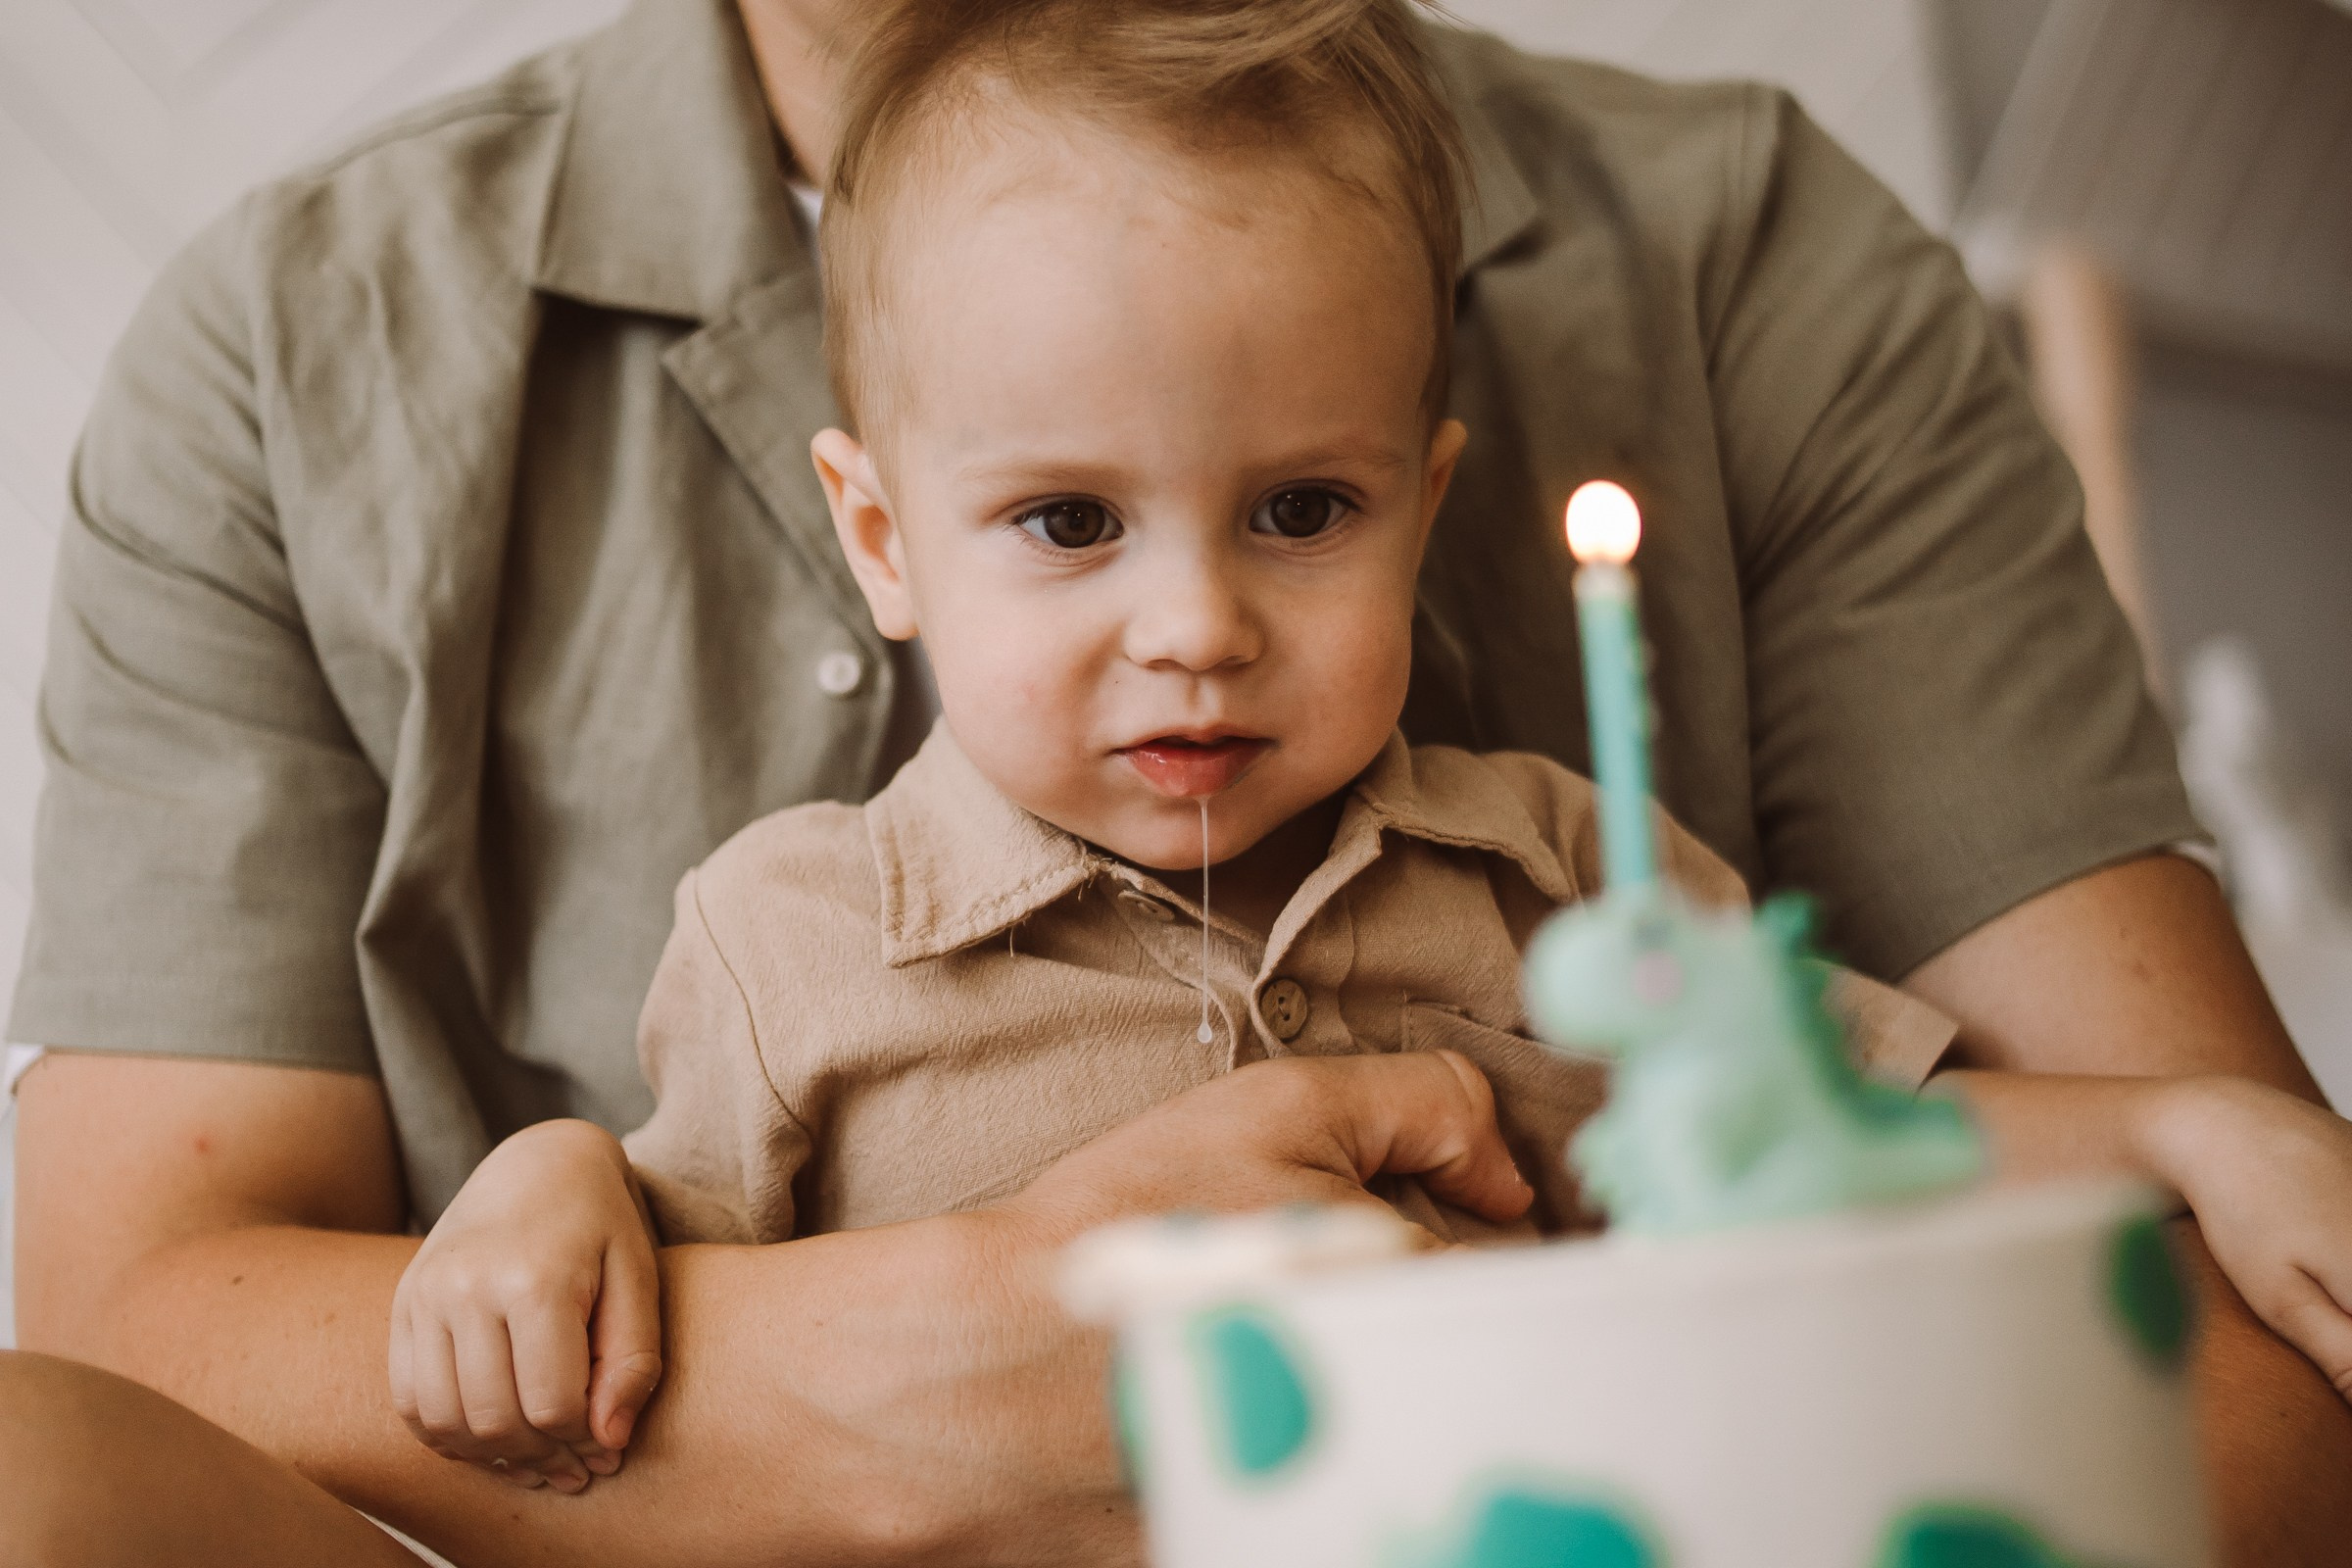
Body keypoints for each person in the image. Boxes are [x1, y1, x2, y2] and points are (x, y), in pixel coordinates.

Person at [6, 0, 2349, 1562]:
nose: (1197, 626)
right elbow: (571, 1216)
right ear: (878, 531)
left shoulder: (1531, 859)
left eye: (1302, 514)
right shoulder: (786, 924)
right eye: (1066, 525)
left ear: (1425, 504)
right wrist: (681, 1249)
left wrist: (2176, 1122)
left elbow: (1890, 1139)